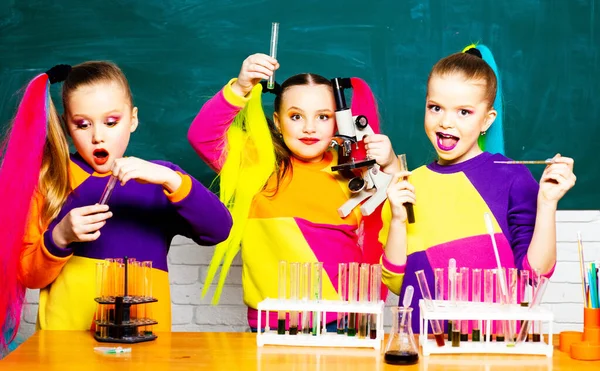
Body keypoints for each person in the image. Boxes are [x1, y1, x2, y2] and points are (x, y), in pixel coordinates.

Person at [0, 61, 232, 353]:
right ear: (67, 125)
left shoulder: (159, 179)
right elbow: (27, 277)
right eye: (83, 124)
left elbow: (219, 229)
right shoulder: (50, 181)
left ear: (133, 119)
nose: (98, 135)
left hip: (143, 347)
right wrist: (60, 237)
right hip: (65, 349)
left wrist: (172, 180)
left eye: (111, 121)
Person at [188, 53, 398, 330]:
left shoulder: (353, 172)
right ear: (277, 122)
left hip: (346, 317)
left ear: (337, 122)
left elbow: (397, 217)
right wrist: (239, 89)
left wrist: (392, 163)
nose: (309, 128)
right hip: (274, 319)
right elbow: (202, 136)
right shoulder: (257, 165)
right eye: (296, 116)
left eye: (322, 117)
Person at [380, 45, 576, 331]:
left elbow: (535, 276)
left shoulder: (512, 177)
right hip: (423, 343)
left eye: (464, 112)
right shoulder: (409, 184)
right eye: (435, 108)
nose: (446, 121)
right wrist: (398, 219)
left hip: (493, 345)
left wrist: (547, 203)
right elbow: (398, 284)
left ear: (487, 120)